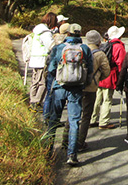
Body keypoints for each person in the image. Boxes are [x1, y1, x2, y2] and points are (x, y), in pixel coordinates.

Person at [47, 23, 93, 167]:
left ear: (68, 34)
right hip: (77, 88)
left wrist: (58, 77)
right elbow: (89, 69)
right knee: (74, 121)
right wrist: (83, 83)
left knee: (54, 119)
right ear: (80, 34)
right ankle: (72, 154)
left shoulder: (59, 48)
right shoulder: (84, 49)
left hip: (60, 86)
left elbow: (51, 68)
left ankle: (48, 151)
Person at [64, 30, 110, 152]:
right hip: (90, 88)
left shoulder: (80, 50)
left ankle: (65, 140)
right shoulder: (100, 54)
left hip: (75, 84)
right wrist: (97, 78)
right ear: (98, 41)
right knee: (86, 116)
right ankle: (79, 143)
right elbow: (107, 71)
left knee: (72, 113)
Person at [91, 25, 126, 130]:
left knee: (97, 98)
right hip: (111, 75)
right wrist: (122, 78)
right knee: (107, 99)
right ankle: (104, 122)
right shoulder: (119, 46)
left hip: (100, 75)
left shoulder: (106, 45)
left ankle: (91, 119)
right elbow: (121, 64)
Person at [28, 13, 56, 111]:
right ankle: (36, 102)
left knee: (35, 81)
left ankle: (32, 100)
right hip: (42, 60)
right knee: (42, 83)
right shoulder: (45, 32)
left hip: (34, 59)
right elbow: (51, 46)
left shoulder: (37, 30)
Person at [43, 21, 69, 120]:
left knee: (49, 94)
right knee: (55, 97)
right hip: (61, 73)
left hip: (51, 70)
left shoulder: (54, 38)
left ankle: (46, 116)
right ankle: (52, 118)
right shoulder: (65, 42)